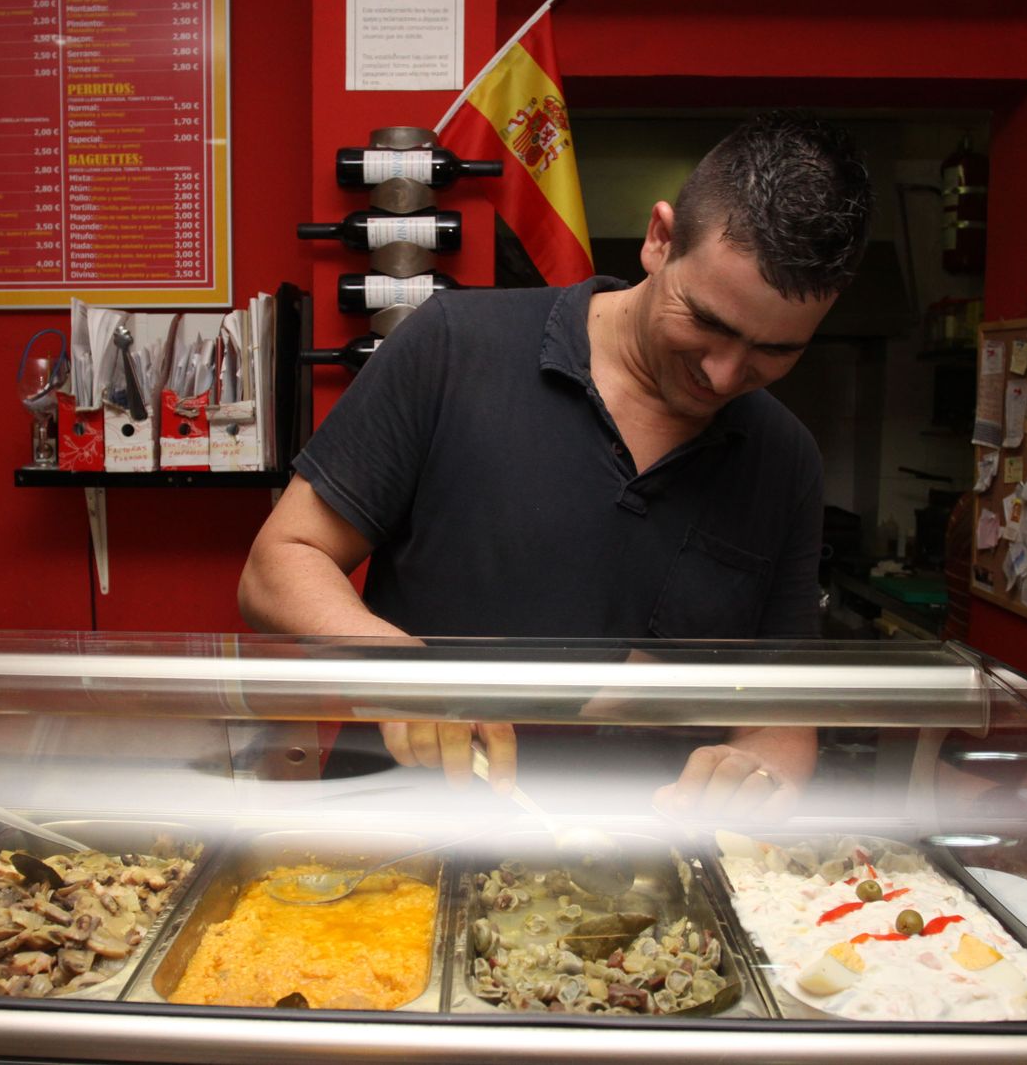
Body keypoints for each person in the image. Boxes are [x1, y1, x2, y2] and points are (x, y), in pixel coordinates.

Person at [239, 112, 873, 816]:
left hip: (637, 879)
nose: (724, 376)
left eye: (774, 351)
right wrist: (404, 674)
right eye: (708, 323)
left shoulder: (785, 460)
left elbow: (780, 718)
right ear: (660, 240)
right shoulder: (454, 346)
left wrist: (754, 775)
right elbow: (280, 562)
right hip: (403, 842)